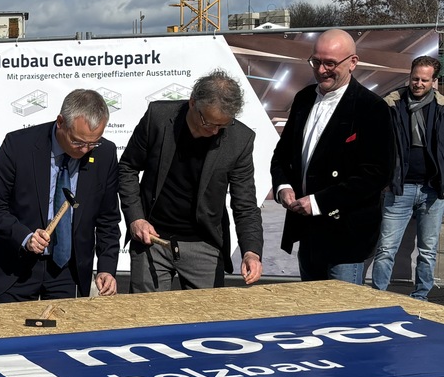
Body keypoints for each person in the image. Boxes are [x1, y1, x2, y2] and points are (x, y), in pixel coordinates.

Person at [118, 69, 263, 292]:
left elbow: (245, 204)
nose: (214, 131)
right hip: (151, 241)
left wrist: (251, 251)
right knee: (146, 319)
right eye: (208, 122)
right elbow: (127, 168)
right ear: (193, 102)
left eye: (222, 126)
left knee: (206, 321)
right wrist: (136, 218)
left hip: (204, 245)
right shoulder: (157, 117)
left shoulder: (240, 140)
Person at [271, 28, 394, 283]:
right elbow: (282, 154)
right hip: (307, 231)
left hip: (346, 235)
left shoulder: (371, 108)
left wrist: (318, 202)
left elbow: (376, 174)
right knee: (312, 310)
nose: (321, 70)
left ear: (353, 62)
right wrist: (283, 186)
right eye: (316, 61)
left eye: (330, 63)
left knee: (344, 316)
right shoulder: (304, 99)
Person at [0, 89, 120, 302]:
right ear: (61, 122)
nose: (85, 150)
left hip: (66, 271)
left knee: (61, 335)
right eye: (78, 142)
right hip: (16, 268)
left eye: (93, 143)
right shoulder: (18, 146)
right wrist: (25, 237)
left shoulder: (104, 153)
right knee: (12, 334)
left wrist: (106, 268)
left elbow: (107, 218)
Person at [371, 56, 444, 300]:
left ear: (434, 81)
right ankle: (378, 297)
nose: (418, 84)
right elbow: (377, 146)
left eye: (424, 80)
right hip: (398, 188)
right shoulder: (391, 104)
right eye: (415, 78)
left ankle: (421, 297)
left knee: (427, 250)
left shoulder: (442, 108)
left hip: (432, 190)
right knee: (385, 249)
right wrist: (384, 180)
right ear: (409, 76)